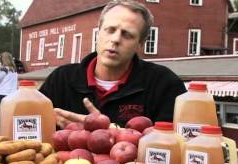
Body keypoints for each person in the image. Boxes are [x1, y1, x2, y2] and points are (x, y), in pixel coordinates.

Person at [39, 0, 186, 129]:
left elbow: (173, 146)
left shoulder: (164, 85)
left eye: (127, 34)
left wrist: (109, 132)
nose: (115, 39)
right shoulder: (60, 80)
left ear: (140, 43)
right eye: (110, 30)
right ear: (98, 33)